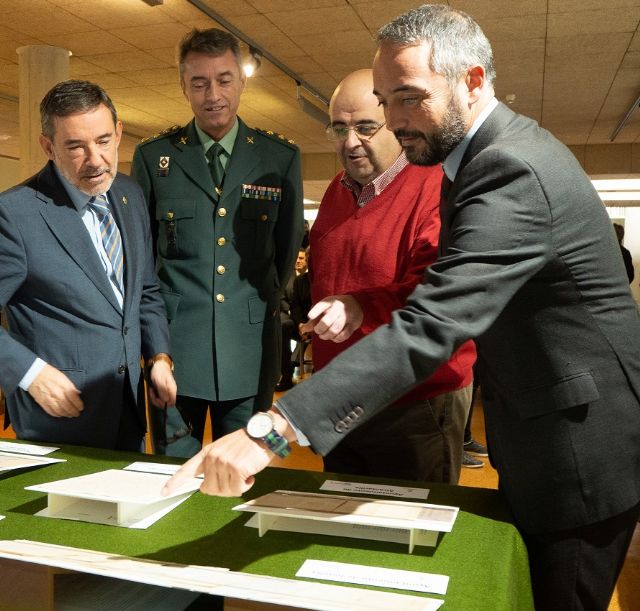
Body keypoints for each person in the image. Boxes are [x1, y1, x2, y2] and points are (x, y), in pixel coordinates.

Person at [165, 5, 640, 610]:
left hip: (579, 454)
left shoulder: (508, 168)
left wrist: (275, 429)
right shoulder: (473, 159)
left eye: (409, 98)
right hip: (543, 432)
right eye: (387, 100)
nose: (393, 120)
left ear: (472, 80)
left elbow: (432, 322)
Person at [132, 28, 304, 452]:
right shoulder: (155, 158)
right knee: (172, 473)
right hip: (172, 356)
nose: (213, 94)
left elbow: (282, 257)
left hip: (249, 352)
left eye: (225, 79)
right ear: (183, 86)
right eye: (199, 82)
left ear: (242, 81)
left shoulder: (278, 158)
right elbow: (142, 260)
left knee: (243, 468)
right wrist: (154, 350)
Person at [308, 69, 475, 482]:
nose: (350, 143)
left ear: (395, 122)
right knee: (342, 526)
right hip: (342, 397)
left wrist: (358, 307)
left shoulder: (438, 187)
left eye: (365, 127)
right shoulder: (335, 191)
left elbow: (434, 295)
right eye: (339, 128)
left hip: (415, 402)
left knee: (412, 530)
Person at [0, 80, 176, 451]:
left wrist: (159, 356)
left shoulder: (129, 194)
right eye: (76, 146)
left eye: (103, 140)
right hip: (59, 419)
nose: (95, 160)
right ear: (48, 147)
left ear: (119, 132)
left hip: (128, 409)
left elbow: (144, 290)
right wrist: (30, 374)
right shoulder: (14, 214)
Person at [276, 248, 308, 392]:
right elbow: (281, 298)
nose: (298, 261)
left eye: (301, 258)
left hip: (308, 318)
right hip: (289, 316)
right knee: (284, 325)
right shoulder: (287, 277)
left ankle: (296, 361)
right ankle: (287, 375)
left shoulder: (309, 278)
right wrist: (291, 312)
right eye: (296, 258)